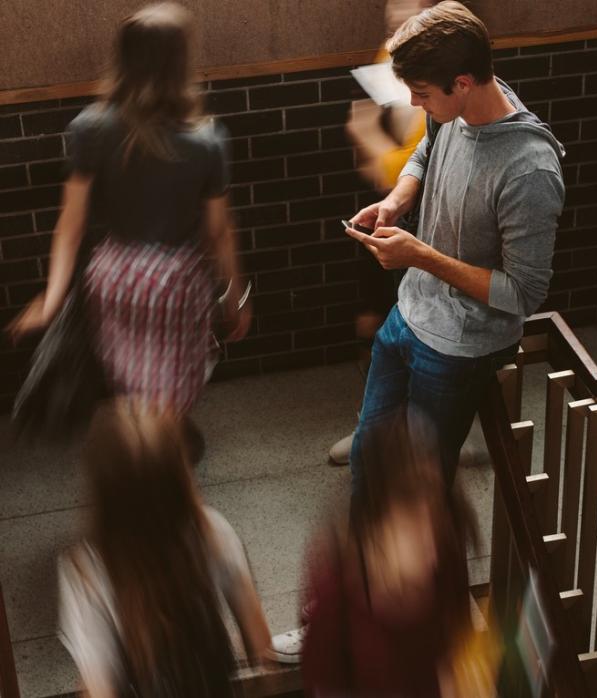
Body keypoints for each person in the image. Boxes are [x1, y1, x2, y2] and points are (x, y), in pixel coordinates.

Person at [6, 3, 250, 456]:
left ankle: (136, 462)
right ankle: (166, 458)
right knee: (172, 381)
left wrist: (53, 297)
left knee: (130, 379)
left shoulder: (88, 128)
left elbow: (70, 224)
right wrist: (235, 296)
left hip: (114, 275)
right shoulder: (207, 139)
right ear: (182, 63)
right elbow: (219, 232)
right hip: (177, 281)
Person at [344, 1, 565, 489]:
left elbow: (524, 294)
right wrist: (398, 198)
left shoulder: (529, 170)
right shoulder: (457, 105)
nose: (416, 105)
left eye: (421, 94)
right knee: (367, 462)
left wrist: (418, 255)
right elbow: (428, 146)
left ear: (463, 82)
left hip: (457, 349)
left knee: (420, 490)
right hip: (406, 317)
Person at [58, 399, 271, 696]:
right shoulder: (213, 533)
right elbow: (263, 658)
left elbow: (100, 689)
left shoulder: (85, 572)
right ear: (182, 476)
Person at [301, 409, 488, 697]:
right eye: (413, 530)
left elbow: (453, 653)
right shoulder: (334, 600)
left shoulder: (446, 555)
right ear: (374, 530)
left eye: (436, 524)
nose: (432, 550)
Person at [328, 0, 435, 466]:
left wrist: (371, 141)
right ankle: (379, 426)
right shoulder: (394, 50)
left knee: (414, 326)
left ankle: (424, 431)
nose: (394, 8)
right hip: (390, 217)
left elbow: (415, 157)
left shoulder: (442, 64)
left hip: (421, 220)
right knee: (373, 323)